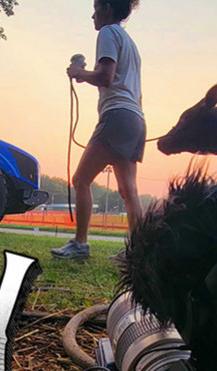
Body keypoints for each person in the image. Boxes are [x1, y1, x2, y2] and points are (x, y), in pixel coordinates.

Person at [52, 0, 145, 260]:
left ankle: (80, 245)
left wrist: (80, 72)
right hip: (135, 119)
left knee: (81, 180)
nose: (93, 15)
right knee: (129, 190)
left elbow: (106, 76)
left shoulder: (108, 32)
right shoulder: (130, 44)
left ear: (106, 8)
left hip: (116, 115)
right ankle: (139, 251)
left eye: (95, 8)